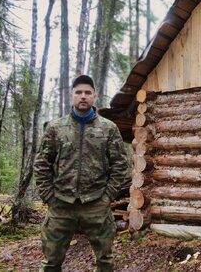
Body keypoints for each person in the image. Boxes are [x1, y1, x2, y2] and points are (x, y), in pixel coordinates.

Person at [34, 75, 129, 272]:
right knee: (51, 262)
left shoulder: (108, 128)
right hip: (61, 204)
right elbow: (42, 163)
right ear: (72, 96)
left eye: (87, 93)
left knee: (105, 262)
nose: (83, 96)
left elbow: (120, 164)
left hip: (96, 204)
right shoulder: (56, 128)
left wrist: (107, 196)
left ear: (94, 96)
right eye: (78, 92)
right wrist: (49, 196)